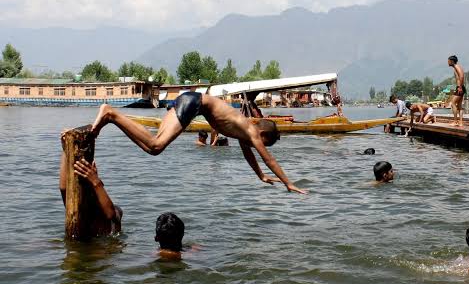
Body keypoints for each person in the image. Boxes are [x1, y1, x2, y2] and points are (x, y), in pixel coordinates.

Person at [90, 93, 306, 194]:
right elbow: (268, 158)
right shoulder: (252, 131)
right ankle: (111, 113)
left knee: (151, 148)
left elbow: (249, 155)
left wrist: (259, 175)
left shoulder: (243, 132)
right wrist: (287, 182)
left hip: (190, 101)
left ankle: (110, 118)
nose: (260, 146)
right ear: (263, 134)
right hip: (194, 103)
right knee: (156, 145)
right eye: (264, 143)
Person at [59, 150, 122, 237]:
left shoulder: (111, 226)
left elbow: (110, 214)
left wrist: (95, 181)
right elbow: (64, 189)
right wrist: (66, 150)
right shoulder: (81, 215)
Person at [447, 55, 465, 127]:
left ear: (451, 61)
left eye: (448, 61)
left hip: (460, 87)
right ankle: (460, 122)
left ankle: (455, 121)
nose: (447, 62)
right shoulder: (456, 67)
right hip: (461, 87)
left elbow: (462, 76)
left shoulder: (457, 67)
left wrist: (460, 87)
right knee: (459, 106)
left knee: (453, 103)